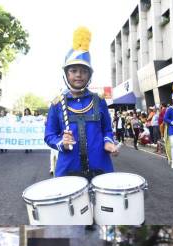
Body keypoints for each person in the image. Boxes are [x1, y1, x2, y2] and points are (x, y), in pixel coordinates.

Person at [44, 27, 118, 180]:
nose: (78, 75)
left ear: (89, 74)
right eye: (73, 70)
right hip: (68, 169)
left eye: (84, 71)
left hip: (101, 168)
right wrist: (61, 142)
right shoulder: (57, 104)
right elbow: (49, 135)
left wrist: (108, 142)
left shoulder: (99, 100)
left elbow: (107, 129)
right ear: (66, 74)